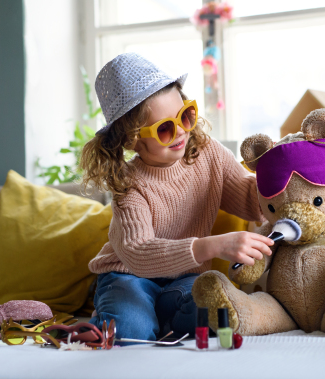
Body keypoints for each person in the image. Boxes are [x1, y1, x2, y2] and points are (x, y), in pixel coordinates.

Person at [80, 52, 273, 342]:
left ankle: (155, 316)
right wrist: (211, 246)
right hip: (128, 276)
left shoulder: (209, 154)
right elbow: (139, 253)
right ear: (132, 139)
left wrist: (283, 173)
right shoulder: (129, 185)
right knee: (132, 331)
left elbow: (250, 200)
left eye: (185, 114)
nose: (182, 130)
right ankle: (123, 315)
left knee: (211, 308)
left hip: (183, 279)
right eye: (165, 129)